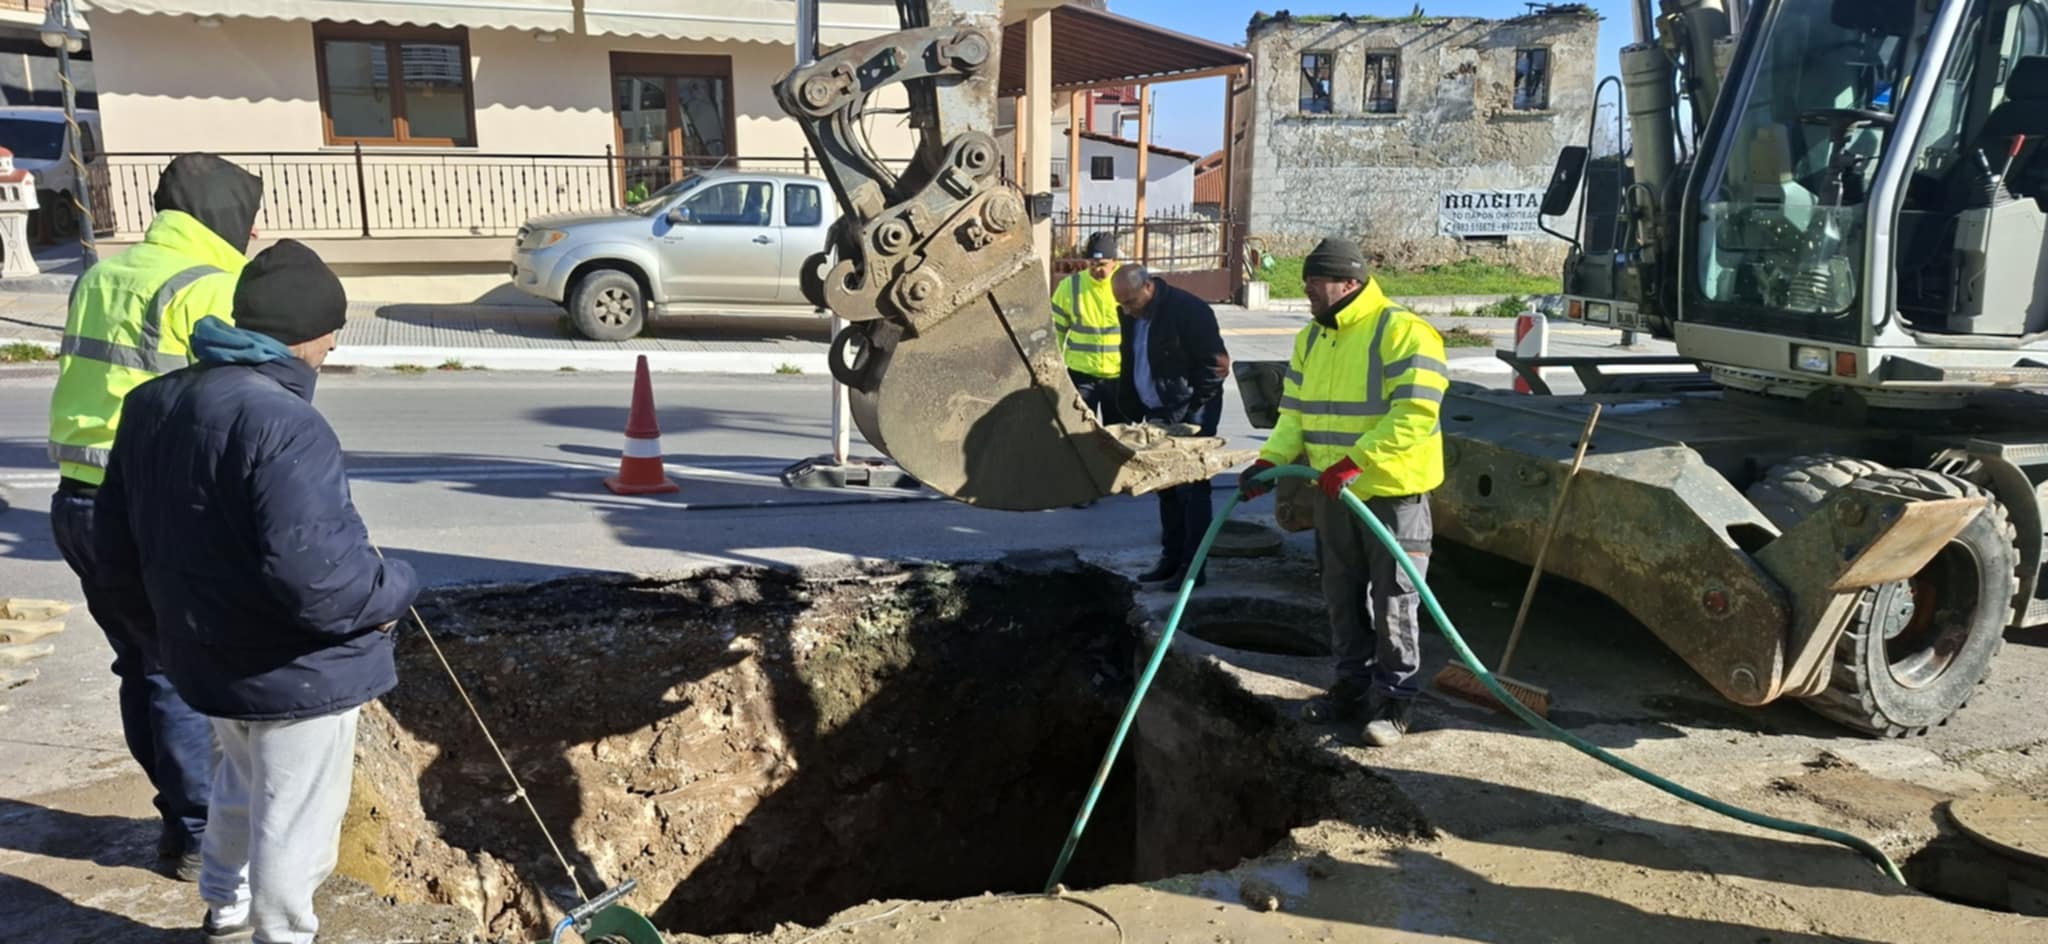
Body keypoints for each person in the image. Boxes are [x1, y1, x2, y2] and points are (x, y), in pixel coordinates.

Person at [94, 240, 419, 944]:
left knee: (238, 791)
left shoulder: (153, 403)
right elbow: (321, 584)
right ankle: (281, 935)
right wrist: (396, 586)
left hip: (208, 660)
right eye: (333, 332)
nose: (333, 346)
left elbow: (114, 548)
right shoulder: (285, 423)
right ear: (311, 336)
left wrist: (166, 638)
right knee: (295, 821)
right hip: (292, 673)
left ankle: (227, 912)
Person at [45, 152, 263, 880]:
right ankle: (203, 833)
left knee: (138, 666)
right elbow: (232, 409)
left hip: (79, 499)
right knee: (178, 670)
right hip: (150, 503)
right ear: (227, 217)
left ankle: (179, 820)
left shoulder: (103, 275)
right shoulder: (213, 285)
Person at [1239, 238, 1447, 747]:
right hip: (1334, 493)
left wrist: (1357, 462)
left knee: (1394, 598)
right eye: (1308, 281)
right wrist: (1272, 459)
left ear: (1350, 283)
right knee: (1340, 594)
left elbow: (1416, 415)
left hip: (1392, 495)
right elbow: (1295, 415)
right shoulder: (1312, 338)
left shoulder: (1403, 333)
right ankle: (1350, 689)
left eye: (1317, 282)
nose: (1308, 290)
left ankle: (1396, 701)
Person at [1111, 265, 1231, 587]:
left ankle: (1193, 569)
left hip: (1192, 415)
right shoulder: (1132, 315)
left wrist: (1192, 410)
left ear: (1148, 286)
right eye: (1121, 304)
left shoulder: (1188, 310)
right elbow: (1133, 358)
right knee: (1165, 486)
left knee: (1192, 489)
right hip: (1154, 412)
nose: (1126, 310)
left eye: (1130, 302)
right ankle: (1171, 559)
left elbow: (1216, 365)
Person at [1051, 231, 1125, 422]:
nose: (1096, 269)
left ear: (1115, 262)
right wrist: (1053, 368)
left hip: (1118, 375)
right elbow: (1055, 331)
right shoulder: (1070, 286)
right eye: (1092, 264)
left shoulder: (1126, 284)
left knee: (1120, 435)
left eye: (1102, 265)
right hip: (1081, 376)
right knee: (1078, 430)